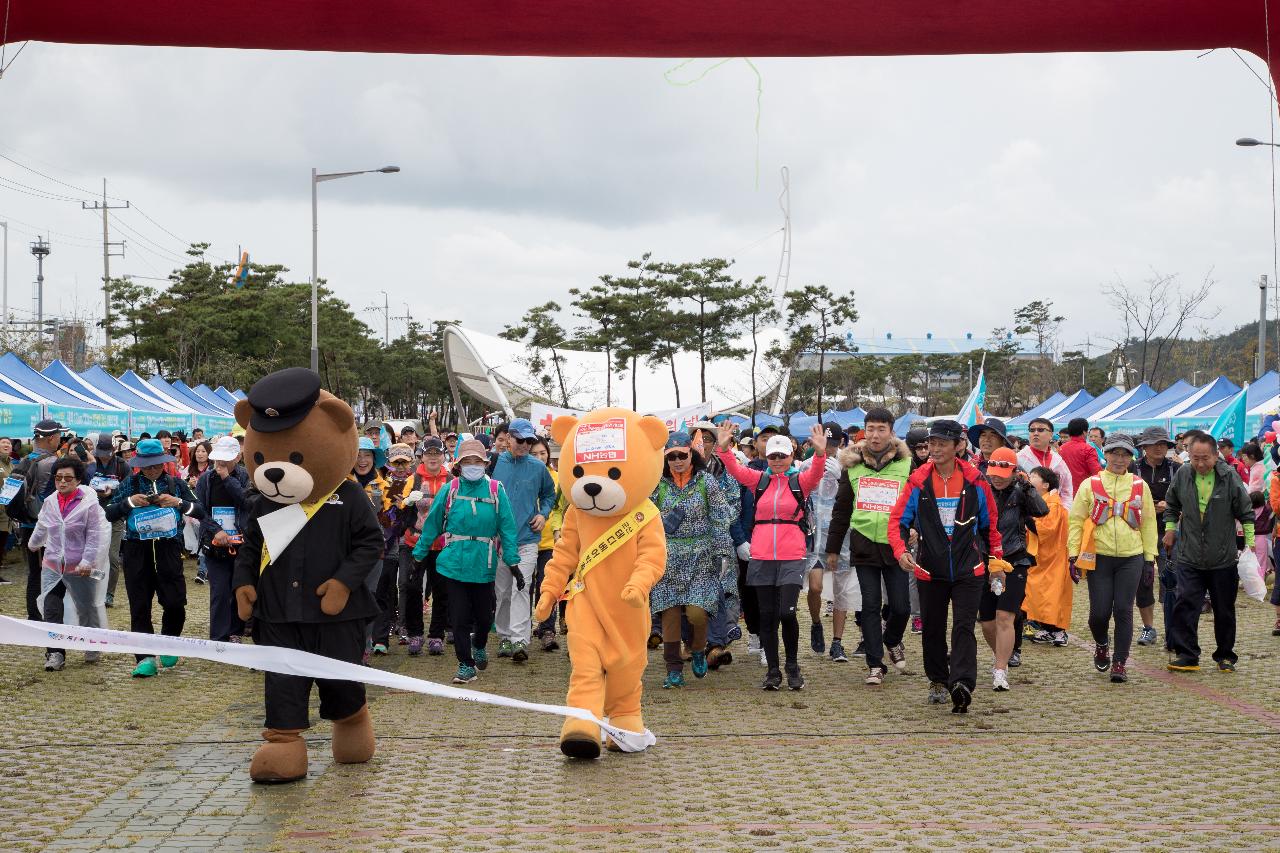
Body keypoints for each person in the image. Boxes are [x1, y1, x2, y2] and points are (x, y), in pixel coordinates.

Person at [890, 419, 1007, 713]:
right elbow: (897, 522)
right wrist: (901, 550)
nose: (936, 449)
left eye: (943, 443)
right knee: (932, 628)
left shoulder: (975, 481)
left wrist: (995, 563)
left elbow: (991, 526)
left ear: (959, 446)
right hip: (930, 569)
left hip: (970, 569)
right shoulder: (918, 480)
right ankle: (938, 680)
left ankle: (963, 684)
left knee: (964, 627)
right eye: (932, 443)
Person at [715, 421, 827, 690]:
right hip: (762, 555)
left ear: (791, 456)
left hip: (792, 555)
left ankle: (793, 666)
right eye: (773, 455)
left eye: (783, 455)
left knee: (787, 613)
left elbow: (817, 473)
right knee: (767, 616)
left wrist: (821, 454)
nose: (777, 460)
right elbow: (735, 470)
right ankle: (774, 671)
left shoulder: (801, 481)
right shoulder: (759, 480)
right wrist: (723, 448)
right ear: (766, 456)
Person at [413, 439, 521, 683]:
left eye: (477, 461)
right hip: (454, 563)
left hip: (484, 563)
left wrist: (513, 563)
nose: (472, 465)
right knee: (459, 617)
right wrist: (418, 556)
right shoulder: (450, 489)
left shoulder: (496, 490)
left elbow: (507, 527)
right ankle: (465, 664)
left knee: (484, 618)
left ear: (484, 464)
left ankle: (479, 644)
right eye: (467, 461)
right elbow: (432, 525)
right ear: (459, 466)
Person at [106, 438, 205, 678]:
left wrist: (179, 503)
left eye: (157, 464)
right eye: (148, 466)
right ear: (139, 465)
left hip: (169, 549)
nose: (153, 469)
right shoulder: (130, 483)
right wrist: (129, 503)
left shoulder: (175, 483)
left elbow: (200, 510)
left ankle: (169, 644)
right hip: (136, 552)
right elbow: (109, 512)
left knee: (175, 602)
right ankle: (145, 658)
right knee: (139, 605)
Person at [827, 408, 913, 684]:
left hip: (896, 544)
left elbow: (918, 503)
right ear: (865, 431)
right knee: (870, 606)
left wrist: (916, 530)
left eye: (881, 429)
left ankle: (892, 641)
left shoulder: (906, 464)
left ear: (891, 431)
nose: (876, 435)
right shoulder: (852, 464)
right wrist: (832, 548)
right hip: (863, 543)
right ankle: (875, 664)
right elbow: (841, 510)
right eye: (871, 429)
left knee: (901, 607)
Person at [1066, 434, 1156, 684]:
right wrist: (1072, 555)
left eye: (1125, 454)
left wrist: (1149, 559)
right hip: (1100, 556)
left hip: (1131, 556)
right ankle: (1102, 644)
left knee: (1124, 610)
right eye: (1115, 453)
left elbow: (1148, 523)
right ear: (1105, 454)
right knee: (1099, 613)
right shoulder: (1090, 484)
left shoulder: (1139, 485)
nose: (1119, 458)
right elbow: (1075, 521)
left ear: (1131, 457)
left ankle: (1119, 662)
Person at [1164, 432, 1254, 673]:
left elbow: (1245, 512)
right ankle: (1187, 654)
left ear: (1216, 456)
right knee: (1186, 604)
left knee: (1224, 608)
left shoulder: (1229, 476)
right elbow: (1171, 505)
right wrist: (1170, 530)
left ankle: (1225, 655)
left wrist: (1250, 544)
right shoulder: (1183, 474)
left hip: (1222, 556)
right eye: (1195, 459)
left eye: (1205, 458)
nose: (1200, 464)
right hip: (1189, 555)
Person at [650, 431, 734, 688]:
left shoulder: (706, 482)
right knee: (670, 616)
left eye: (682, 455)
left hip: (701, 557)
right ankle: (673, 669)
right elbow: (645, 516)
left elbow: (721, 517)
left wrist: (722, 553)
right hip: (668, 557)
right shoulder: (657, 484)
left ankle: (698, 649)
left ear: (691, 454)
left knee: (698, 613)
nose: (677, 460)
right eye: (671, 456)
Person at [29, 457, 111, 671]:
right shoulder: (50, 501)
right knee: (51, 608)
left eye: (68, 478)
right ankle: (55, 653)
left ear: (78, 480)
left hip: (79, 567)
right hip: (54, 564)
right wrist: (34, 543)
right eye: (58, 478)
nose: (62, 482)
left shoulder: (88, 504)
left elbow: (94, 535)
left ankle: (92, 643)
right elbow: (42, 524)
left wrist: (87, 561)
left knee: (86, 608)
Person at [979, 447, 1048, 691]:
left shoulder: (1020, 493)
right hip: (984, 562)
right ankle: (1002, 655)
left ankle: (1000, 669)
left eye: (1002, 473)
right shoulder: (981, 489)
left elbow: (1042, 511)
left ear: (1014, 471)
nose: (996, 477)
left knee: (1005, 617)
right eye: (992, 472)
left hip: (1014, 560)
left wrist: (1028, 486)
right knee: (987, 622)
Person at [489, 418, 555, 663]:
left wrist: (543, 513)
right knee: (502, 591)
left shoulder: (538, 468)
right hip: (498, 540)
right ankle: (504, 635)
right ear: (508, 439)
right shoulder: (495, 463)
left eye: (530, 441)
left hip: (527, 539)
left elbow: (550, 495)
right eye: (521, 440)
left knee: (522, 586)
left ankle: (519, 639)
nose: (525, 445)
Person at [398, 436, 453, 655]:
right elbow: (401, 508)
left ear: (443, 456)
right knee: (412, 588)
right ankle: (415, 634)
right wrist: (408, 500)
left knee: (441, 590)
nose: (433, 458)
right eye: (428, 454)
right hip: (415, 543)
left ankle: (436, 636)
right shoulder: (414, 479)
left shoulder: (450, 480)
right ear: (422, 456)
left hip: (441, 545)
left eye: (437, 454)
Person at [194, 436, 250, 643]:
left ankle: (236, 631)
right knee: (219, 590)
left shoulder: (245, 476)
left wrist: (228, 479)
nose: (221, 464)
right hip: (215, 543)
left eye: (226, 459)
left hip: (240, 543)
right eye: (218, 459)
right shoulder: (206, 479)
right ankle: (218, 636)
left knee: (238, 588)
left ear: (237, 457)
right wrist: (216, 530)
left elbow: (247, 503)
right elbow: (199, 510)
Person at [803, 422, 850, 658]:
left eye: (833, 444)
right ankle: (815, 623)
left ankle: (837, 641)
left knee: (841, 590)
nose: (829, 449)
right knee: (816, 587)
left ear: (840, 443)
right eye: (825, 444)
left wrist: (842, 476)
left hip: (840, 536)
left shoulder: (848, 465)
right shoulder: (805, 465)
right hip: (813, 537)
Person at [13, 420, 65, 621]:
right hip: (45, 528)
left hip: (26, 525)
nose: (61, 440)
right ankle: (40, 617)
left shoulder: (23, 461)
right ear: (51, 438)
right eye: (60, 436)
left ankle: (35, 615)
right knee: (48, 574)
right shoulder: (51, 463)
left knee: (34, 573)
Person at [1134, 427, 1180, 649]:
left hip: (1168, 532)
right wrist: (1151, 507)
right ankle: (1148, 627)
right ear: (1144, 447)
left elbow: (1186, 499)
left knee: (1170, 580)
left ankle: (1172, 629)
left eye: (1164, 443)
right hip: (1137, 532)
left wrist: (1169, 506)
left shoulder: (1177, 469)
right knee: (1143, 582)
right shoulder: (1132, 469)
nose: (1160, 447)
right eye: (1155, 443)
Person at [349, 437, 393, 659]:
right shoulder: (342, 483)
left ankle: (365, 647)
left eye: (367, 455)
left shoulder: (386, 486)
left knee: (369, 596)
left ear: (374, 459)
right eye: (357, 455)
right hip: (346, 550)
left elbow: (392, 520)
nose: (362, 460)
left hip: (375, 551)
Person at [1024, 466, 1072, 646]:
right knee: (1040, 594)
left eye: (1033, 476)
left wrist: (1027, 519)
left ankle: (1059, 631)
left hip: (1053, 557)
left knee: (1053, 595)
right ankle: (1046, 628)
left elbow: (1046, 529)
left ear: (1045, 484)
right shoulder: (1041, 502)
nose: (1029, 478)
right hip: (1041, 557)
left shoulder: (1052, 505)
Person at [529, 436, 567, 650]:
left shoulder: (558, 478)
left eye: (542, 453)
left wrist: (558, 532)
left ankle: (547, 630)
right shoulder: (523, 475)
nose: (539, 457)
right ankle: (523, 627)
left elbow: (560, 509)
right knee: (525, 586)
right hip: (525, 539)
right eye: (534, 454)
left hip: (550, 542)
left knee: (548, 585)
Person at [86, 436, 128, 608]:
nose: (103, 457)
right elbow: (81, 486)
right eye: (100, 453)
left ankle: (109, 593)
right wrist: (95, 492)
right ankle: (95, 590)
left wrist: (111, 493)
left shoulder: (122, 465)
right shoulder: (91, 464)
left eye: (107, 453)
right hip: (94, 516)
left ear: (113, 450)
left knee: (112, 557)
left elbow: (128, 490)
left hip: (115, 516)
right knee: (95, 556)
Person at [1017, 417, 1074, 511]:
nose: (1035, 433)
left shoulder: (1059, 461)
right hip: (1027, 516)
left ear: (1051, 434)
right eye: (1032, 430)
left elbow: (1066, 490)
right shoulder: (1019, 459)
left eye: (1040, 429)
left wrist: (1065, 511)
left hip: (1055, 517)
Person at [186, 440, 213, 584]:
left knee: (204, 540)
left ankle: (202, 571)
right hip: (191, 513)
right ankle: (207, 567)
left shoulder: (212, 470)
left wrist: (201, 485)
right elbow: (182, 488)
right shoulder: (189, 470)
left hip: (207, 511)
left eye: (203, 451)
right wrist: (189, 485)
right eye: (197, 451)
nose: (200, 454)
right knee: (200, 541)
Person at [1060, 417, 1102, 496]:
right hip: (1083, 492)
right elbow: (1096, 473)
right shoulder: (1088, 449)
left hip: (1065, 492)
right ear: (1084, 432)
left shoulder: (1061, 449)